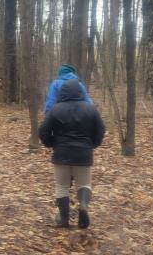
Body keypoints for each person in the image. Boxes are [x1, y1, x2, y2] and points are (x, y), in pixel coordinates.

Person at [39, 78, 105, 229]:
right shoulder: (91, 109)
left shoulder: (55, 109)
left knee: (61, 186)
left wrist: (51, 143)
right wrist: (91, 145)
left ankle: (63, 219)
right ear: (81, 91)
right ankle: (82, 205)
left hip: (61, 152)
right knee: (84, 184)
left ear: (62, 93)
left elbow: (43, 131)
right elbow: (101, 130)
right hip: (84, 153)